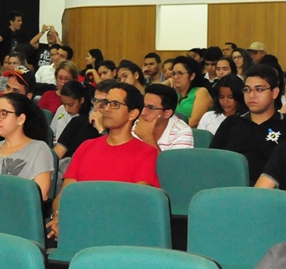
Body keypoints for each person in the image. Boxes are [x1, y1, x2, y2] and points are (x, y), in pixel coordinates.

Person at [46, 83, 159, 240]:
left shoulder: (146, 153)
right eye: (105, 103)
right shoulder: (86, 147)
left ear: (132, 114)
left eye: (115, 104)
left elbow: (135, 203)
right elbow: (63, 196)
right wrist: (58, 216)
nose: (106, 109)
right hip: (76, 226)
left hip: (116, 232)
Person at [211, 65, 286, 186]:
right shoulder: (231, 123)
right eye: (247, 90)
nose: (251, 95)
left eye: (259, 89)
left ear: (274, 92)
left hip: (275, 194)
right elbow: (213, 163)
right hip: (232, 191)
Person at [133, 83, 194, 151]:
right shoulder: (137, 125)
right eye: (143, 105)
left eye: (151, 108)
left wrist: (147, 138)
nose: (142, 112)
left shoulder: (182, 133)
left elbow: (170, 162)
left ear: (167, 113)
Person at [170, 56, 213, 128]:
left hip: (194, 134)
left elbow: (195, 121)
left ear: (192, 76)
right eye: (174, 73)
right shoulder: (175, 94)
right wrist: (168, 82)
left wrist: (173, 131)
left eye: (180, 73)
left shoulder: (201, 92)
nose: (176, 77)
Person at [51, 80, 85, 144]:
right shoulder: (61, 109)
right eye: (64, 104)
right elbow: (52, 132)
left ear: (81, 100)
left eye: (70, 105)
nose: (66, 109)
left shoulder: (88, 117)